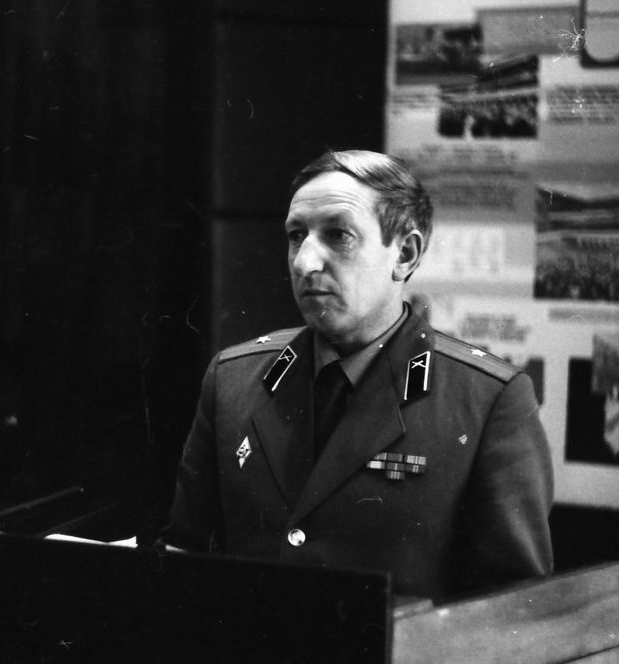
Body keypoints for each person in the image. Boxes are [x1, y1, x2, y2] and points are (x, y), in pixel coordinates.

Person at [161, 150, 553, 600]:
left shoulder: (486, 400)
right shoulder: (233, 380)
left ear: (404, 254)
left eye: (338, 235)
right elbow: (184, 557)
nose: (304, 262)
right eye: (296, 236)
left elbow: (512, 610)